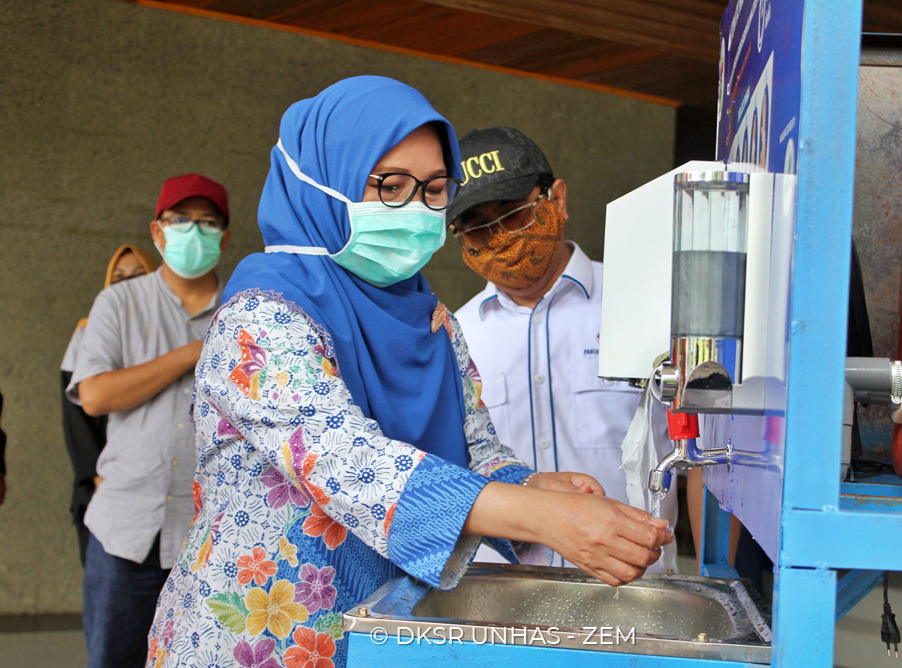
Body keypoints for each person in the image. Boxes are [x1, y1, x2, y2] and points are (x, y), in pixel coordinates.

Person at [145, 76, 672, 668]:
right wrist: (542, 517)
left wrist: (530, 487)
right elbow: (349, 463)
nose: (417, 209)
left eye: (434, 189)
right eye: (390, 186)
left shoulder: (432, 320)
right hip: (260, 639)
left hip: (389, 630)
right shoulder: (261, 315)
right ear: (321, 183)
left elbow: (476, 450)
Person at [446, 126, 678, 570]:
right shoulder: (456, 335)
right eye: (476, 227)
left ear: (558, 199)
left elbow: (705, 450)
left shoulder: (646, 305)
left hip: (636, 580)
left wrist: (712, 571)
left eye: (513, 215)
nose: (500, 238)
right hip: (500, 589)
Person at [66, 173, 231, 668]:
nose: (194, 232)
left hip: (213, 534)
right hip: (126, 529)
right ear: (158, 231)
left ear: (224, 237)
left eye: (208, 222)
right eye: (181, 220)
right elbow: (94, 395)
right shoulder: (119, 302)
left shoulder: (242, 309)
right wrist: (190, 354)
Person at [61, 244, 158, 565]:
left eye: (138, 275)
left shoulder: (173, 334)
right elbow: (76, 416)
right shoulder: (88, 332)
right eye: (119, 278)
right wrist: (94, 474)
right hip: (105, 485)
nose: (127, 284)